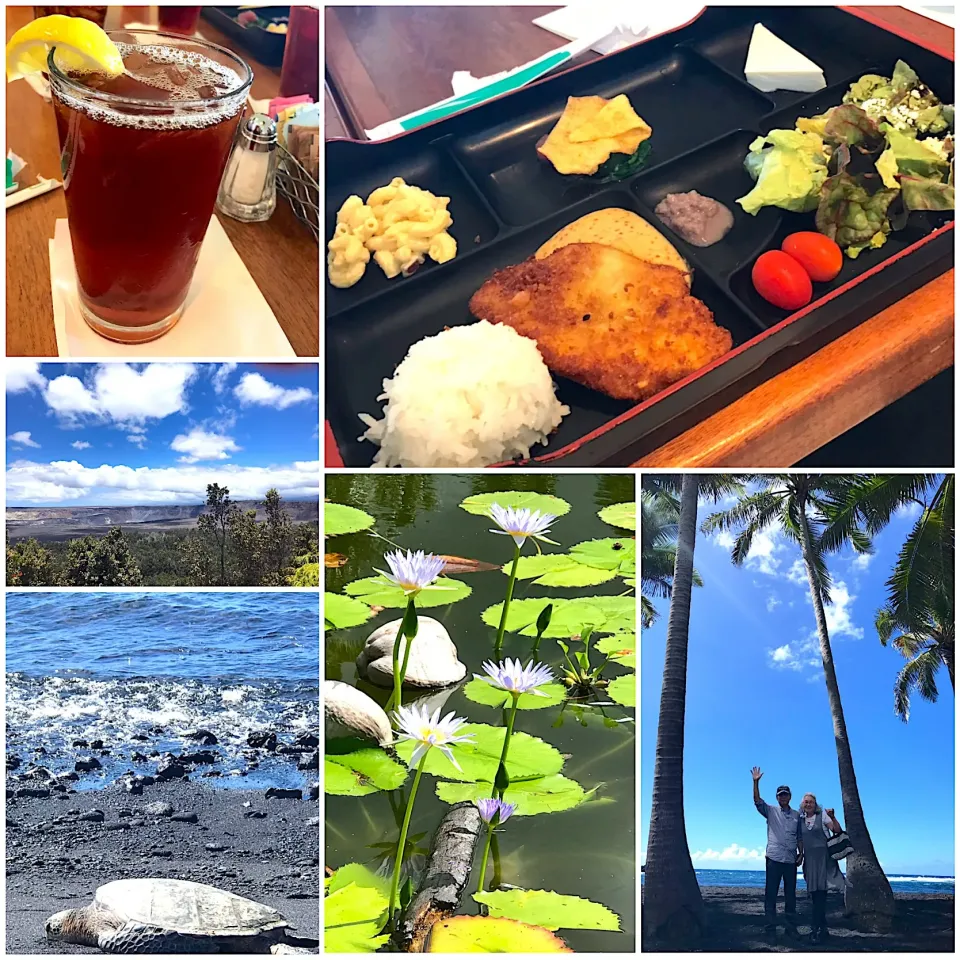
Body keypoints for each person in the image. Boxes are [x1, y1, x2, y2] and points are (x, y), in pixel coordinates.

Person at [752, 766, 801, 942]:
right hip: (773, 858)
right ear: (777, 797)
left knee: (790, 896)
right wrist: (756, 782)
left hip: (790, 860)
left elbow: (799, 836)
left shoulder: (797, 815)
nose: (783, 797)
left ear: (790, 796)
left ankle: (790, 928)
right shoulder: (770, 811)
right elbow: (757, 801)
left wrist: (801, 853)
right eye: (780, 794)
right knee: (771, 894)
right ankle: (770, 929)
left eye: (785, 794)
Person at [798, 793, 845, 944]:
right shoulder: (800, 819)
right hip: (810, 862)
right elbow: (799, 840)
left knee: (820, 897)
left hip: (824, 861)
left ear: (815, 804)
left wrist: (833, 817)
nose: (808, 804)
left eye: (811, 802)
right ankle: (823, 929)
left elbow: (837, 830)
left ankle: (815, 929)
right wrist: (799, 855)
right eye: (806, 802)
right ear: (802, 804)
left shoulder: (822, 816)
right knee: (815, 897)